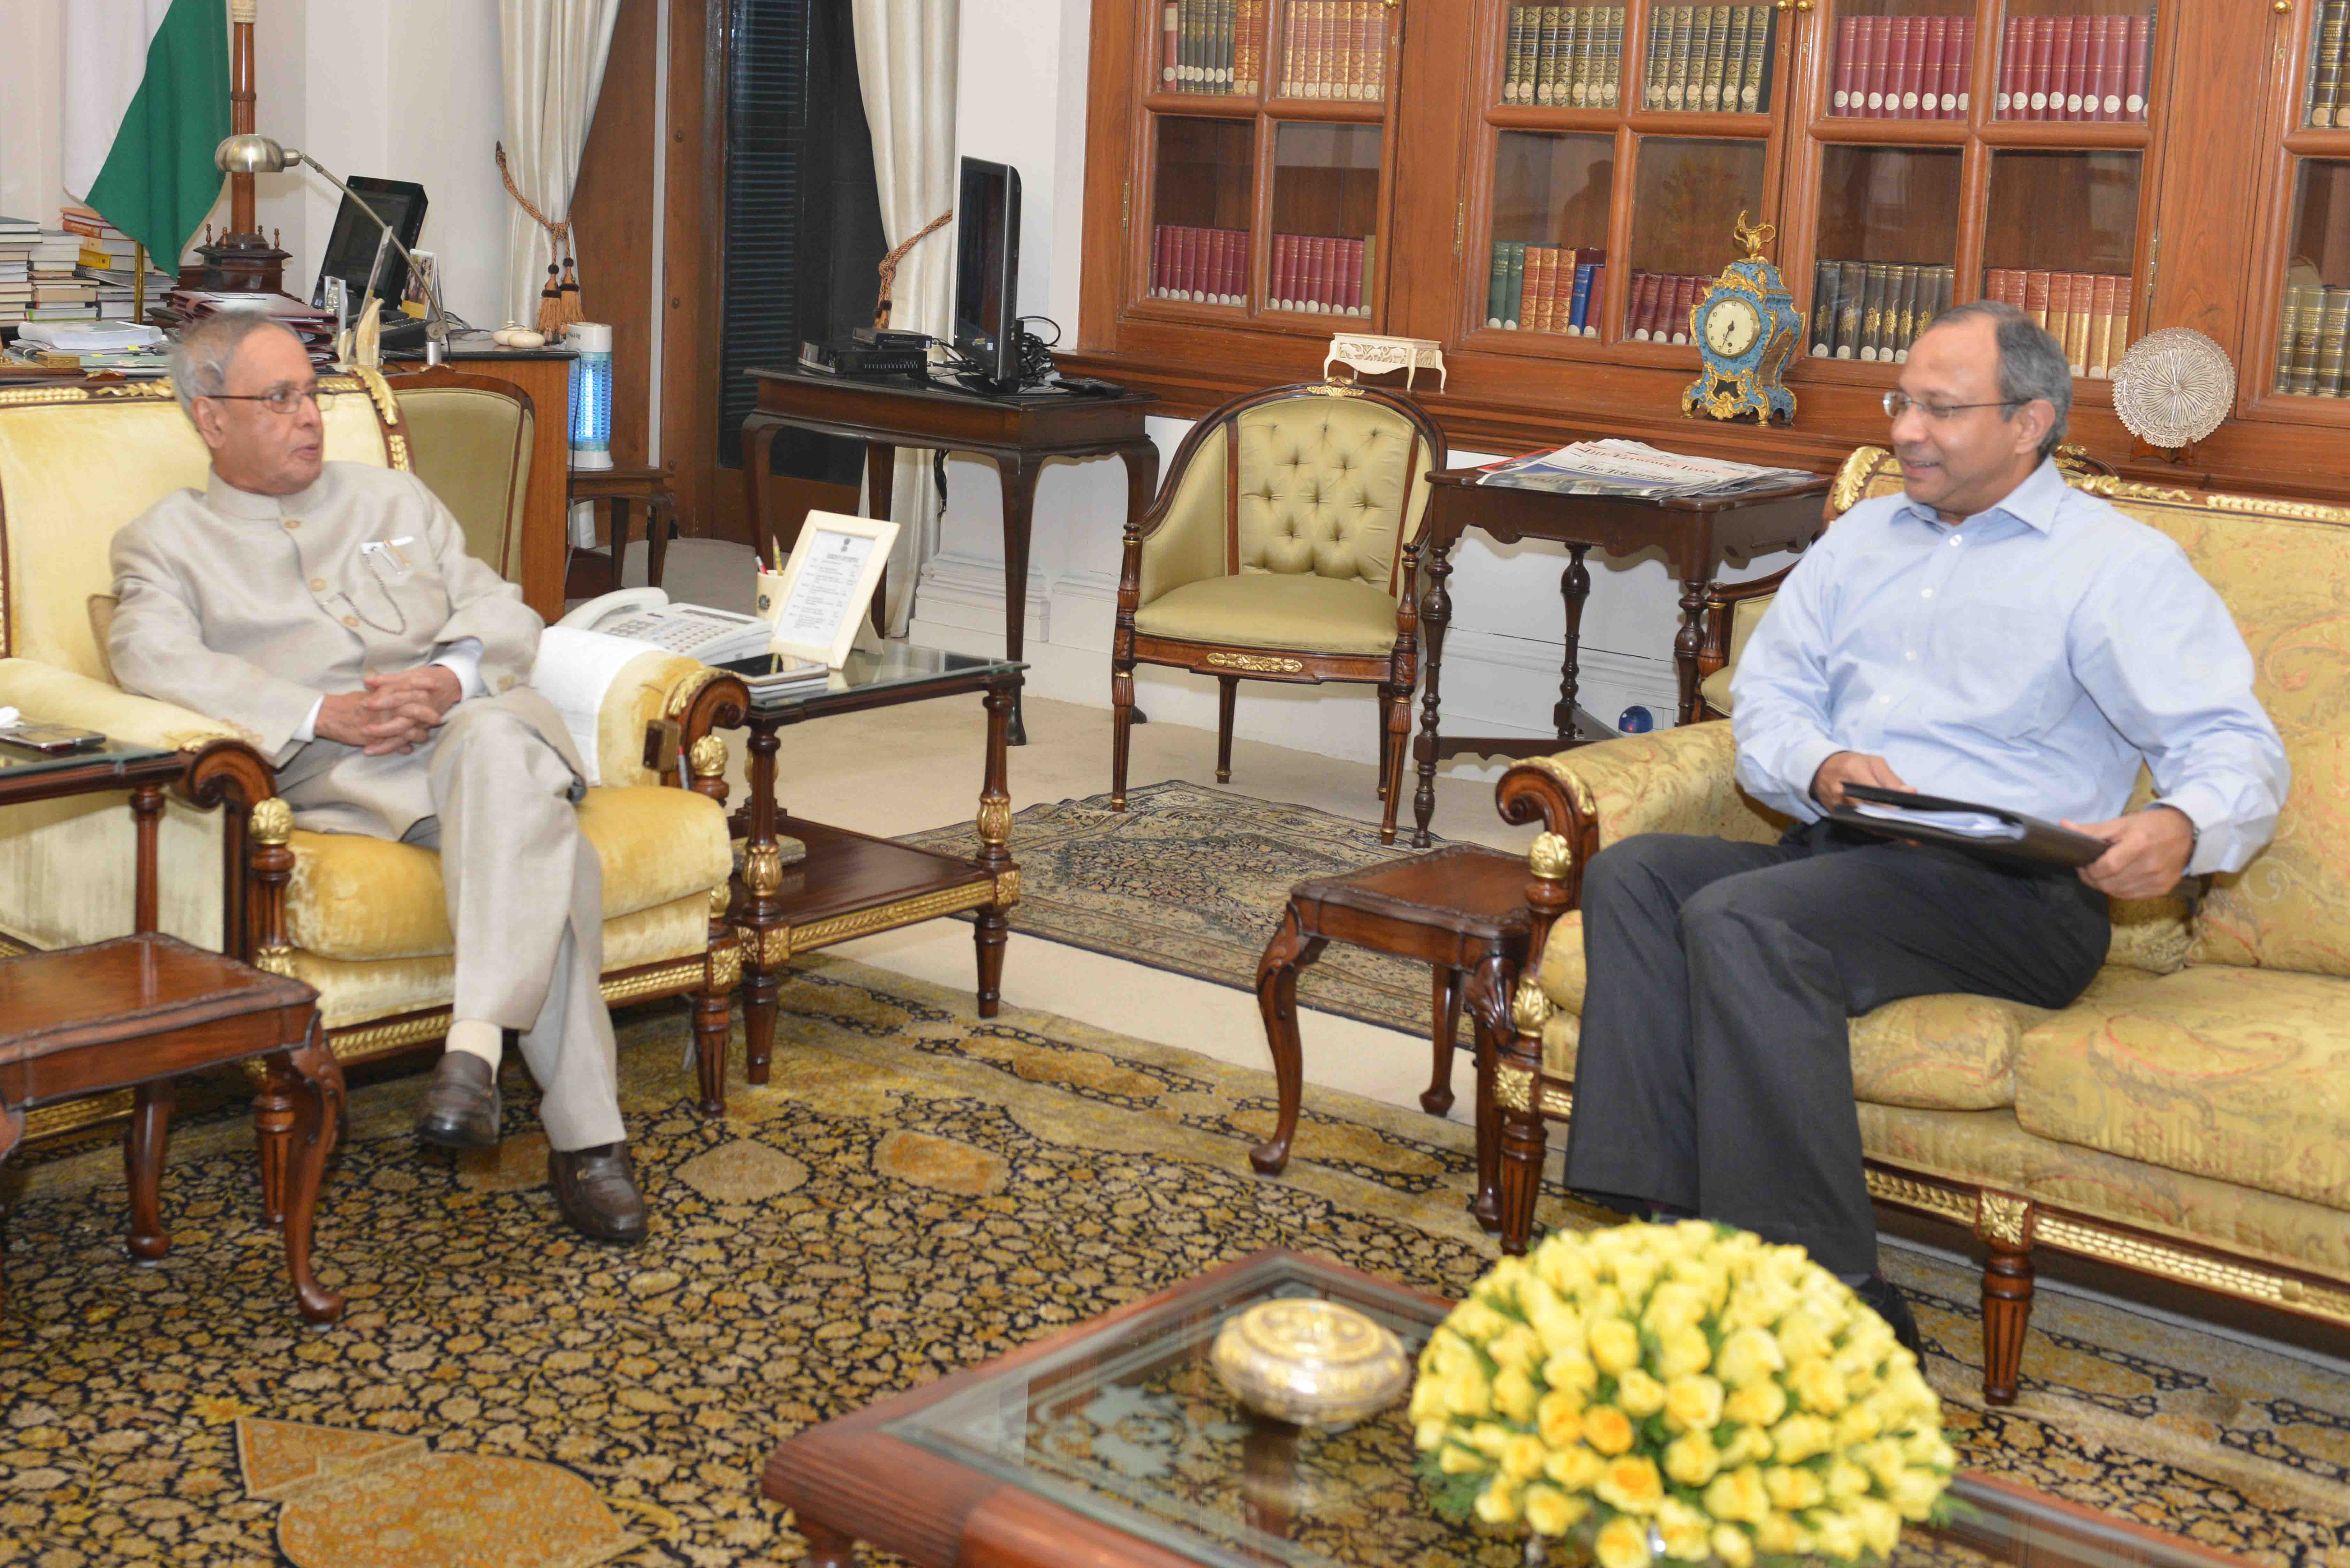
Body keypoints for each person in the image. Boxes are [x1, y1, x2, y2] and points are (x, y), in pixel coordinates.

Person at [1566, 300, 2288, 1352]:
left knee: (1745, 921)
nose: (1905, 429)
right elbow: (1767, 697)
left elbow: (2234, 744)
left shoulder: (2115, 566)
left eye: (1943, 411)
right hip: (1848, 860)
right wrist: (1817, 762)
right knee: (1636, 877)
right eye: (1902, 402)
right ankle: (1666, 1235)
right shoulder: (1861, 536)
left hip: (2014, 895)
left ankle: (1832, 1299)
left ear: (2030, 423)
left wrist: (2184, 824)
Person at [108, 310, 647, 1245]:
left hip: (471, 734)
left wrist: (450, 676)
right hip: (351, 777)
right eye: (278, 398)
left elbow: (502, 607)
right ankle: (586, 1142)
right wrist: (322, 714)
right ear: (210, 418)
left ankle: (473, 1048)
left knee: (490, 741)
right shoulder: (167, 542)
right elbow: (150, 656)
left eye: (311, 393)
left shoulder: (394, 500)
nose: (310, 416)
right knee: (545, 849)